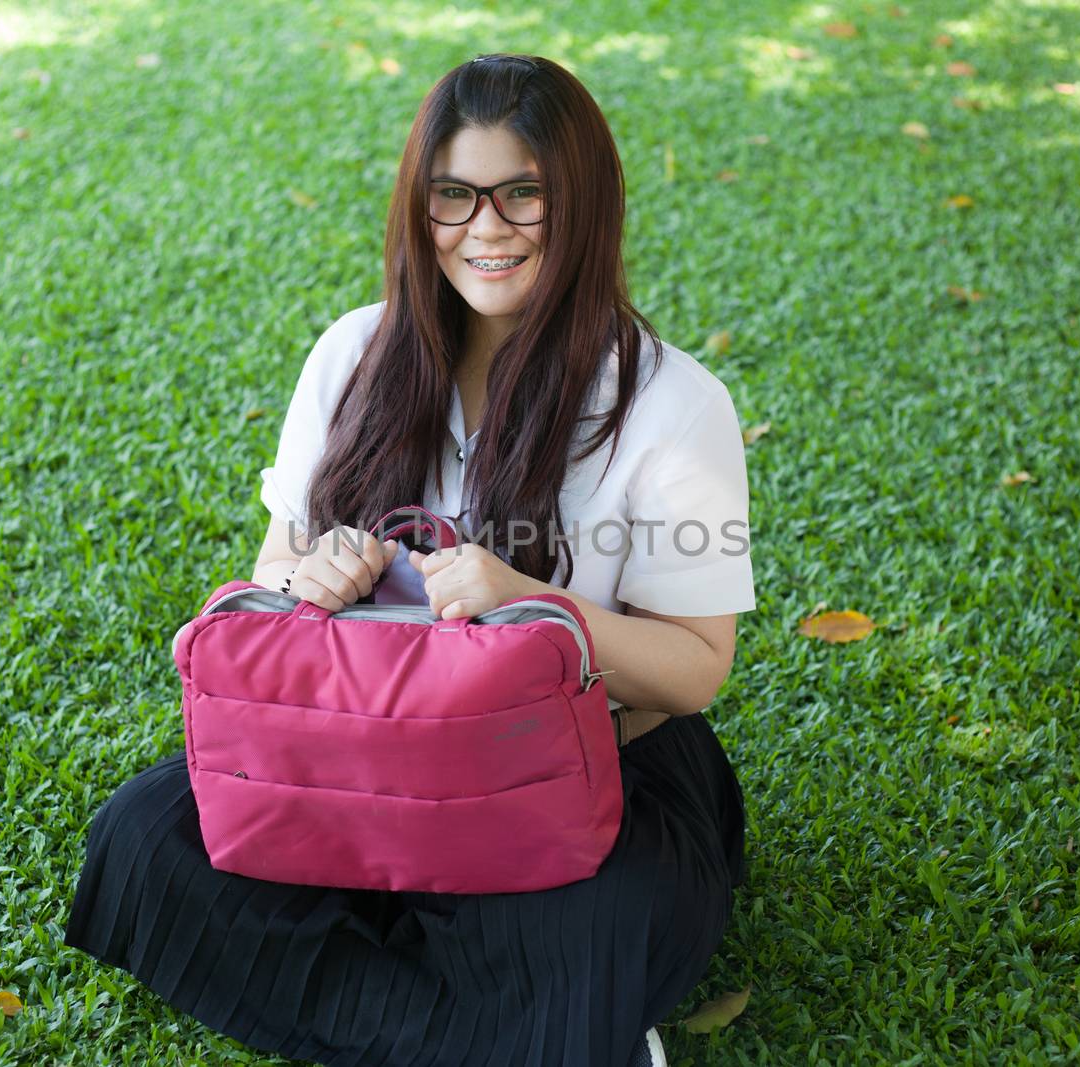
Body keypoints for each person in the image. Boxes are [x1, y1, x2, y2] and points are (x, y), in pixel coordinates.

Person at [64, 52, 757, 1067]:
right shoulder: (352, 354)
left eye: (524, 195)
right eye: (455, 196)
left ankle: (520, 1008)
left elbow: (696, 665)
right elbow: (268, 589)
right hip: (349, 747)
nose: (486, 229)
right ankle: (535, 1034)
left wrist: (536, 608)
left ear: (586, 205)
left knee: (587, 925)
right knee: (143, 843)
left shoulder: (669, 402)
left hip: (577, 765)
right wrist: (307, 582)